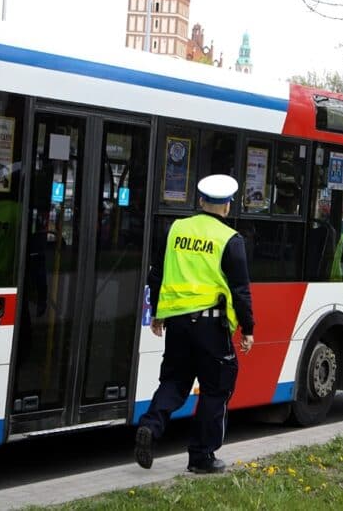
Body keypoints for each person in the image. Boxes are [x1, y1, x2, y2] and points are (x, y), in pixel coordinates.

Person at [135, 174, 255, 474]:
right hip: (211, 328)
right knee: (216, 390)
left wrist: (159, 314)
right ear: (227, 206)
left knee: (174, 381)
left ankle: (151, 425)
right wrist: (248, 329)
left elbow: (157, 273)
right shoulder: (231, 239)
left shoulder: (176, 229)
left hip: (176, 324)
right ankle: (201, 457)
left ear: (200, 201)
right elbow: (241, 291)